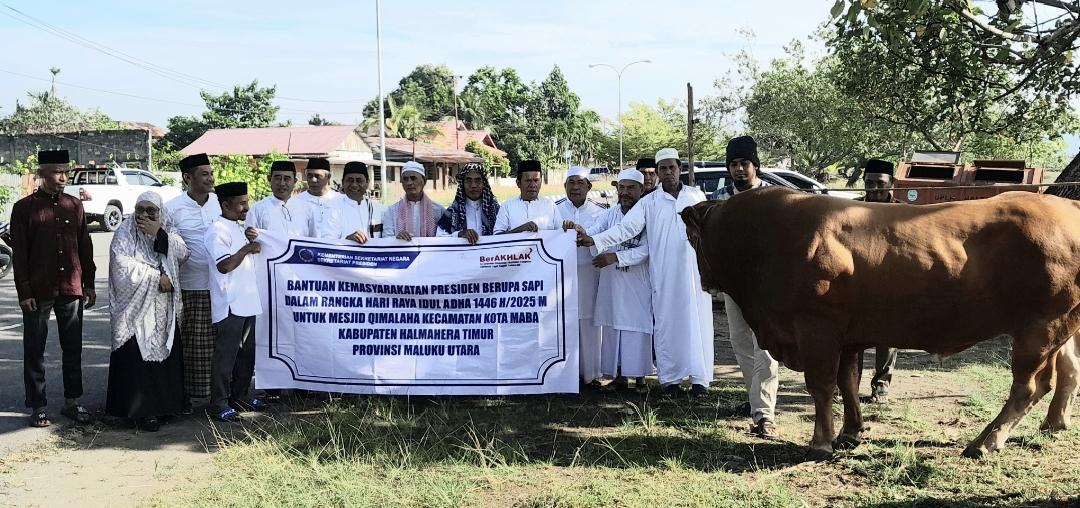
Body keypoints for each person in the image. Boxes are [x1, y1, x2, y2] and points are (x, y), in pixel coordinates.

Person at [576, 148, 714, 399]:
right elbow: (625, 229)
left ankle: (700, 380)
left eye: (672, 167)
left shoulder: (696, 196)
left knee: (699, 324)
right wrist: (594, 240)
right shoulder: (649, 203)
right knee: (667, 326)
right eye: (663, 168)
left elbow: (710, 230)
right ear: (658, 173)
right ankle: (671, 380)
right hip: (663, 275)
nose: (668, 172)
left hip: (694, 275)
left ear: (680, 168)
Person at [11, 149, 96, 427]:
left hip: (71, 288)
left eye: (66, 172)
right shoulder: (24, 208)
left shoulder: (74, 205)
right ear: (42, 173)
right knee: (34, 350)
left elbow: (84, 246)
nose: (63, 177)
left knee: (72, 347)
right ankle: (37, 406)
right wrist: (25, 292)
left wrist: (89, 283)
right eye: (58, 172)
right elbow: (20, 254)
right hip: (39, 290)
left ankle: (73, 401)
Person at [712, 136, 781, 439]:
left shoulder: (773, 197)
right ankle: (755, 400)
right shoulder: (719, 197)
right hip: (733, 284)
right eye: (734, 164)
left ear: (756, 166)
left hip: (766, 286)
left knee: (764, 346)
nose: (739, 169)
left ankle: (765, 414)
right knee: (739, 342)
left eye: (745, 163)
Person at [106, 192, 189, 431]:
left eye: (151, 210)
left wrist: (158, 233)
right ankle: (141, 412)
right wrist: (155, 277)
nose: (144, 215)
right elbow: (120, 265)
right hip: (136, 307)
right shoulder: (125, 231)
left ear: (160, 212)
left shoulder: (167, 228)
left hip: (163, 306)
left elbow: (183, 253)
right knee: (137, 357)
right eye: (140, 210)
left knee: (164, 356)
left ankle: (165, 408)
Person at [589, 168, 654, 391]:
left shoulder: (647, 214)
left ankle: (640, 378)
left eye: (631, 188)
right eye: (622, 188)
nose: (625, 192)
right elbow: (595, 231)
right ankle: (618, 377)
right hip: (612, 282)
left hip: (637, 282)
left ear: (641, 189)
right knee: (613, 327)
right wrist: (580, 233)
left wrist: (615, 257)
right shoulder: (610, 214)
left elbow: (647, 250)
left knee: (637, 327)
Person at [165, 153, 220, 411]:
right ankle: (188, 398)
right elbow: (162, 246)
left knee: (218, 344)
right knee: (192, 345)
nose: (210, 178)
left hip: (221, 285)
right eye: (204, 174)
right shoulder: (172, 208)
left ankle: (218, 395)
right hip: (189, 286)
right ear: (188, 178)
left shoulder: (220, 203)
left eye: (211, 173)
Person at [205, 182, 264, 422]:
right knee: (226, 357)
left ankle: (240, 397)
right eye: (241, 204)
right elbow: (224, 265)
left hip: (247, 302)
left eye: (247, 202)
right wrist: (246, 249)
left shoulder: (238, 228)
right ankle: (219, 403)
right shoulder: (216, 230)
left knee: (246, 356)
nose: (246, 208)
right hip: (229, 304)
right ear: (226, 205)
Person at [853, 158, 901, 403]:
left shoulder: (904, 212)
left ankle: (881, 386)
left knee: (888, 336)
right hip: (856, 282)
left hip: (891, 283)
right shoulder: (850, 209)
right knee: (853, 337)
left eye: (880, 183)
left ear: (891, 183)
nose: (874, 189)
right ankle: (849, 385)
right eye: (869, 183)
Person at [557, 166, 608, 386]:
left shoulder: (602, 211)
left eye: (580, 183)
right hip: (561, 278)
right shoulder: (554, 210)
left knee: (590, 322)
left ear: (589, 186)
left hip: (591, 274)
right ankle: (566, 375)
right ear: (564, 186)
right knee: (564, 322)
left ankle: (592, 374)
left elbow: (605, 238)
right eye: (571, 182)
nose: (575, 187)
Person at [245, 160, 316, 238]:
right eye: (278, 178)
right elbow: (250, 239)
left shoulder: (306, 209)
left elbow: (313, 240)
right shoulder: (257, 209)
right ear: (269, 179)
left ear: (295, 181)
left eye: (286, 179)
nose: (282, 183)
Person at [436, 162, 500, 244]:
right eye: (469, 181)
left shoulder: (495, 210)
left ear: (484, 183)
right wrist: (459, 234)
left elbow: (504, 234)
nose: (473, 185)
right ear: (462, 184)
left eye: (478, 181)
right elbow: (439, 238)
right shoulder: (452, 212)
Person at [494, 160, 564, 234]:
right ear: (518, 183)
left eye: (536, 180)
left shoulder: (550, 205)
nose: (533, 185)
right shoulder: (507, 207)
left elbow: (562, 233)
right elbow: (497, 235)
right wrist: (519, 230)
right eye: (528, 180)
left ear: (541, 182)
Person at [382, 161, 446, 240]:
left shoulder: (439, 210)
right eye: (405, 179)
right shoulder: (391, 212)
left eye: (413, 178)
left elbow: (445, 237)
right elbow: (386, 239)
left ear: (424, 181)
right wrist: (397, 238)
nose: (409, 183)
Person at [293, 157, 344, 239]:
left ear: (328, 177)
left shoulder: (341, 200)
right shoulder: (297, 201)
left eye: (318, 176)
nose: (313, 180)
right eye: (309, 176)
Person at [338, 161, 386, 244]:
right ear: (343, 182)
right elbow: (327, 241)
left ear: (367, 183)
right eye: (350, 180)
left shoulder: (381, 210)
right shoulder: (332, 209)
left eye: (359, 180)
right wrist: (347, 240)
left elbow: (388, 238)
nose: (354, 185)